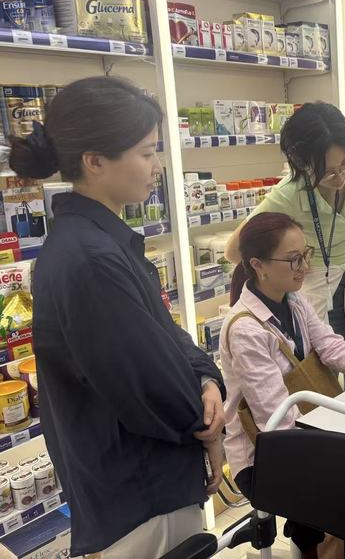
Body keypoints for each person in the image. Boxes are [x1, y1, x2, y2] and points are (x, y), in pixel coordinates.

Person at [10, 76, 226, 558]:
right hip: (142, 496)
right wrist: (208, 428)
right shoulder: (90, 259)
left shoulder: (99, 242)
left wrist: (206, 378)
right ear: (95, 161)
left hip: (141, 485)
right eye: (147, 153)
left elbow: (162, 334)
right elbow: (146, 381)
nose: (157, 167)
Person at [222, 212, 345, 555]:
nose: (305, 267)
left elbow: (333, 347)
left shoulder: (293, 300)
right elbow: (276, 420)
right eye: (294, 259)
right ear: (258, 265)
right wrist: (339, 458)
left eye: (306, 254)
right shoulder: (246, 329)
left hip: (306, 430)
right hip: (264, 457)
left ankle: (322, 543)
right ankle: (317, 544)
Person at [225, 103, 345, 386]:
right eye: (328, 172)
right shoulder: (289, 194)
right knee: (323, 380)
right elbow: (234, 250)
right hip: (318, 294)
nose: (340, 177)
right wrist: (288, 265)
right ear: (302, 164)